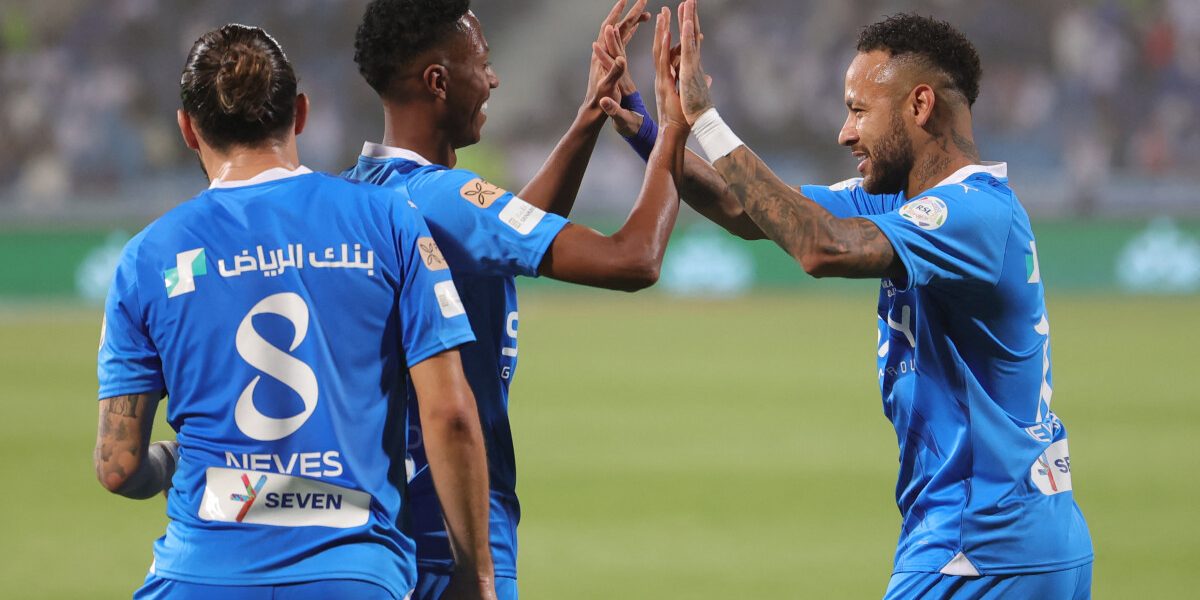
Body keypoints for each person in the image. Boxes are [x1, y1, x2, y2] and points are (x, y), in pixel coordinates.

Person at [605, 3, 1094, 598]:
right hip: (1016, 539)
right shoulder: (900, 205)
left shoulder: (973, 212)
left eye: (859, 111)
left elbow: (820, 247)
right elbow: (748, 208)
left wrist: (705, 116)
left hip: (978, 544)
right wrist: (647, 129)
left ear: (920, 106)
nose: (844, 132)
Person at [94, 24, 496, 600]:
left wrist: (166, 460)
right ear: (301, 112)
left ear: (187, 129)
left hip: (201, 575)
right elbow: (451, 416)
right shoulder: (389, 220)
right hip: (354, 571)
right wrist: (474, 575)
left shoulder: (147, 259)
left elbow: (117, 466)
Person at [345, 1, 691, 597]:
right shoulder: (447, 197)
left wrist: (587, 119)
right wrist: (674, 128)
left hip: (377, 535)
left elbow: (503, 237)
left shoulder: (358, 192)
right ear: (438, 81)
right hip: (457, 538)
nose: (495, 79)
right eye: (482, 63)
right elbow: (635, 257)